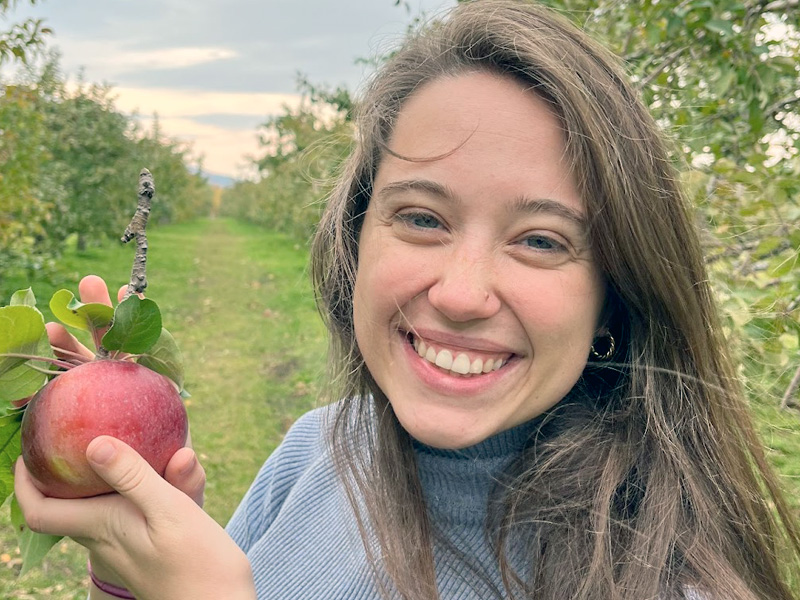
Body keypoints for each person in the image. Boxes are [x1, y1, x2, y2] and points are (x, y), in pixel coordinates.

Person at [13, 1, 800, 598]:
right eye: (422, 218)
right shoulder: (319, 449)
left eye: (542, 240)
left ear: (615, 296)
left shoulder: (662, 580)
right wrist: (137, 572)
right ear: (358, 240)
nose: (459, 294)